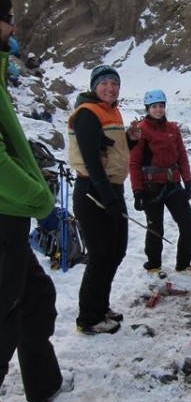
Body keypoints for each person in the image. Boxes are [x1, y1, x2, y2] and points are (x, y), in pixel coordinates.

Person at [0, 0, 64, 402]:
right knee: (3, 320)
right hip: (4, 217)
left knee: (35, 296)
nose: (13, 28)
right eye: (7, 19)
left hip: (9, 220)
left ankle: (44, 384)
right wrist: (40, 199)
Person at [67, 64, 140, 335]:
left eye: (115, 83)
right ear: (94, 86)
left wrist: (130, 140)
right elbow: (91, 160)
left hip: (110, 189)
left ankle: (100, 305)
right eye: (105, 83)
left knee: (116, 251)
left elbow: (110, 150)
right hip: (92, 190)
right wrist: (107, 196)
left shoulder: (112, 111)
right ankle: (88, 318)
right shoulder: (87, 114)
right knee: (100, 255)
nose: (110, 88)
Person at [129, 89, 191, 279]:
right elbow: (135, 163)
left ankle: (183, 265)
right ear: (148, 108)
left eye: (161, 106)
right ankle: (153, 266)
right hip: (150, 188)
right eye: (154, 106)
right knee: (156, 229)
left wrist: (188, 182)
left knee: (188, 225)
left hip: (173, 185)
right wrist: (137, 191)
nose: (158, 110)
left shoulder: (173, 129)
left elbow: (182, 157)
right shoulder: (141, 130)